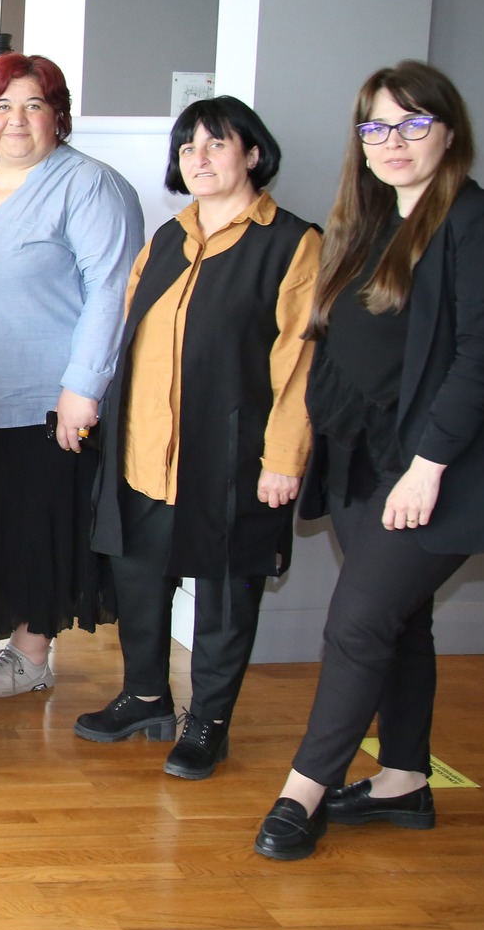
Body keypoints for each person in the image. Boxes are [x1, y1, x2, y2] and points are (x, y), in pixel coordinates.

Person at [254, 61, 484, 861]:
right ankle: (404, 780)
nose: (394, 141)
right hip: (363, 462)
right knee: (401, 620)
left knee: (357, 623)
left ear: (450, 132)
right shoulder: (367, 223)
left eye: (415, 123)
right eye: (377, 126)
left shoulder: (483, 221)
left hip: (437, 469)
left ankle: (303, 792)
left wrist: (428, 465)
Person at [77, 97, 321, 780]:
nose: (200, 158)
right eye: (188, 148)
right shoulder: (167, 238)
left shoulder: (292, 243)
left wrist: (284, 459)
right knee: (138, 576)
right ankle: (145, 697)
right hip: (141, 449)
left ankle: (209, 721)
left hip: (231, 455)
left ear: (253, 154)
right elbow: (127, 334)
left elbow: (300, 365)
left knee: (224, 591)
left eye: (217, 144)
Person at [0, 52, 143, 697]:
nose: (15, 119)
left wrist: (83, 388)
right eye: (1, 106)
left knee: (35, 523)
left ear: (57, 116)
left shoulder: (91, 185)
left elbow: (112, 291)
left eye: (33, 105)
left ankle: (31, 652)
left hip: (42, 394)